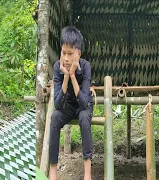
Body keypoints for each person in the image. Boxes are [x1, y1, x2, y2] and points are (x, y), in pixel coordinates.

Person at [49, 27, 93, 180]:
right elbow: (58, 104)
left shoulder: (86, 66)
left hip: (83, 106)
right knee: (55, 117)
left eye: (70, 53)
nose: (66, 58)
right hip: (66, 106)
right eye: (63, 53)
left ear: (78, 53)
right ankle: (53, 172)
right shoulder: (57, 68)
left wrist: (73, 75)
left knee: (84, 117)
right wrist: (66, 76)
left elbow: (84, 103)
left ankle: (87, 174)